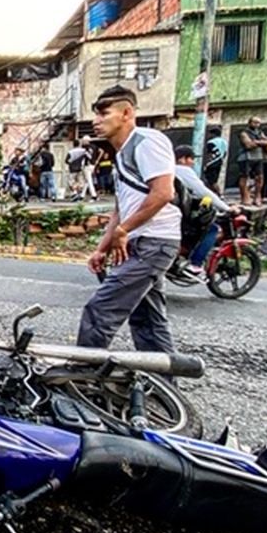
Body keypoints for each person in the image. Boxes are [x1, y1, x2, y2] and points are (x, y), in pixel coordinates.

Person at [78, 85, 182, 355]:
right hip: (142, 241)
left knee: (100, 310)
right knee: (147, 320)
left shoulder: (147, 141)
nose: (96, 121)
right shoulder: (122, 154)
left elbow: (163, 193)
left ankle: (82, 380)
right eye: (96, 115)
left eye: (103, 114)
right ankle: (163, 385)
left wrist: (124, 230)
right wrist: (102, 247)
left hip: (155, 241)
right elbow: (120, 209)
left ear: (127, 113)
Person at [173, 146, 238, 277]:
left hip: (170, 212)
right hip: (180, 215)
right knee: (212, 229)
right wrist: (226, 208)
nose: (193, 163)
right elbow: (202, 191)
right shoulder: (183, 170)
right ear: (182, 159)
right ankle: (195, 264)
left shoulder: (166, 169)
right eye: (191, 159)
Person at [237, 117, 267, 205]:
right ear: (250, 122)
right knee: (244, 177)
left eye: (258, 123)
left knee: (260, 177)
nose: (257, 125)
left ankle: (257, 197)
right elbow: (248, 145)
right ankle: (245, 197)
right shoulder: (244, 132)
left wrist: (257, 142)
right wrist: (260, 142)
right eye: (255, 122)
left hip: (258, 157)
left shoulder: (260, 132)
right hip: (246, 157)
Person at [203, 127, 227, 193]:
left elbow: (209, 153)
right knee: (215, 180)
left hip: (212, 163)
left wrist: (206, 163)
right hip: (220, 162)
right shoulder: (224, 142)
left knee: (211, 181)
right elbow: (225, 153)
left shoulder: (211, 142)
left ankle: (219, 194)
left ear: (213, 134)